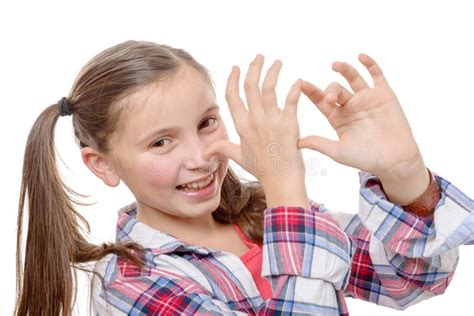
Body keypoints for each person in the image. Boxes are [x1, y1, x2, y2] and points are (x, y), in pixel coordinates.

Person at [14, 40, 474, 315]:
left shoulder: (261, 213)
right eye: (161, 143)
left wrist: (404, 177)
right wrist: (287, 189)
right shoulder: (132, 287)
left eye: (207, 122)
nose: (200, 157)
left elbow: (408, 280)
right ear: (103, 164)